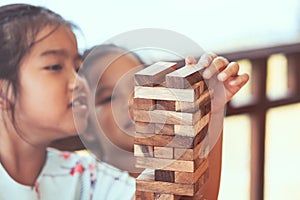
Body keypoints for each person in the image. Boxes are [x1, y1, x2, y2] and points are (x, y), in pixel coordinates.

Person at [0, 4, 135, 200]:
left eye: (78, 68)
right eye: (54, 67)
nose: (78, 82)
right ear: (3, 93)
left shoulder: (88, 178)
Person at [81, 44, 249, 199]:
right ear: (85, 125)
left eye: (139, 87)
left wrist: (208, 110)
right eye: (108, 98)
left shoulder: (173, 162)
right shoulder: (83, 185)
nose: (131, 101)